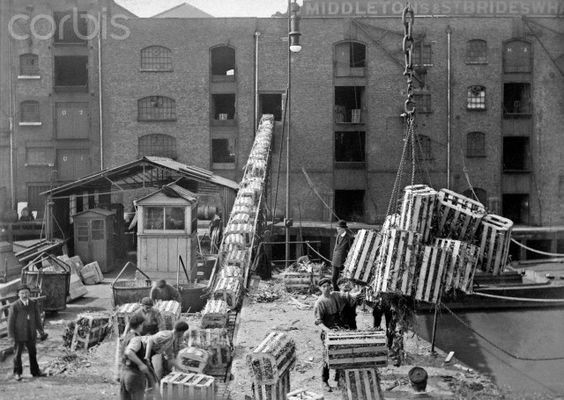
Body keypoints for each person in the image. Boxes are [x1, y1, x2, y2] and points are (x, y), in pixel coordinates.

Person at [314, 277, 363, 392]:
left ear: (331, 286)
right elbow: (318, 322)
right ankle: (324, 381)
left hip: (339, 330)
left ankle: (339, 379)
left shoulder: (336, 295)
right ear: (320, 288)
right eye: (323, 286)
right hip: (328, 331)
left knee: (341, 354)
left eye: (328, 285)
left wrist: (358, 293)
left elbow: (348, 296)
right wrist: (328, 331)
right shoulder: (319, 302)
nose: (326, 288)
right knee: (327, 356)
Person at [8, 284, 48, 381]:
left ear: (29, 293)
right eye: (22, 293)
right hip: (19, 334)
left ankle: (35, 371)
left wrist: (41, 331)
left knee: (33, 353)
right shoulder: (14, 306)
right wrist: (11, 337)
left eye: (26, 292)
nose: (24, 295)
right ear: (18, 294)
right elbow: (10, 322)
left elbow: (37, 319)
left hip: (31, 333)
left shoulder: (33, 304)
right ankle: (17, 373)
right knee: (17, 355)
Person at [121, 314, 152, 400]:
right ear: (140, 325)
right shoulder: (136, 339)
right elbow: (129, 352)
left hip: (124, 373)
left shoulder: (127, 336)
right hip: (134, 376)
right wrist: (141, 364)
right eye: (143, 324)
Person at [331, 220, 353, 291]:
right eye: (337, 229)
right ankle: (336, 292)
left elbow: (350, 251)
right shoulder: (338, 236)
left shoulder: (349, 238)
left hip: (342, 262)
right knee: (333, 279)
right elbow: (336, 248)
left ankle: (342, 293)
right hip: (335, 261)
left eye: (339, 229)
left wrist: (347, 262)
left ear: (344, 229)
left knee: (342, 280)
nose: (338, 230)